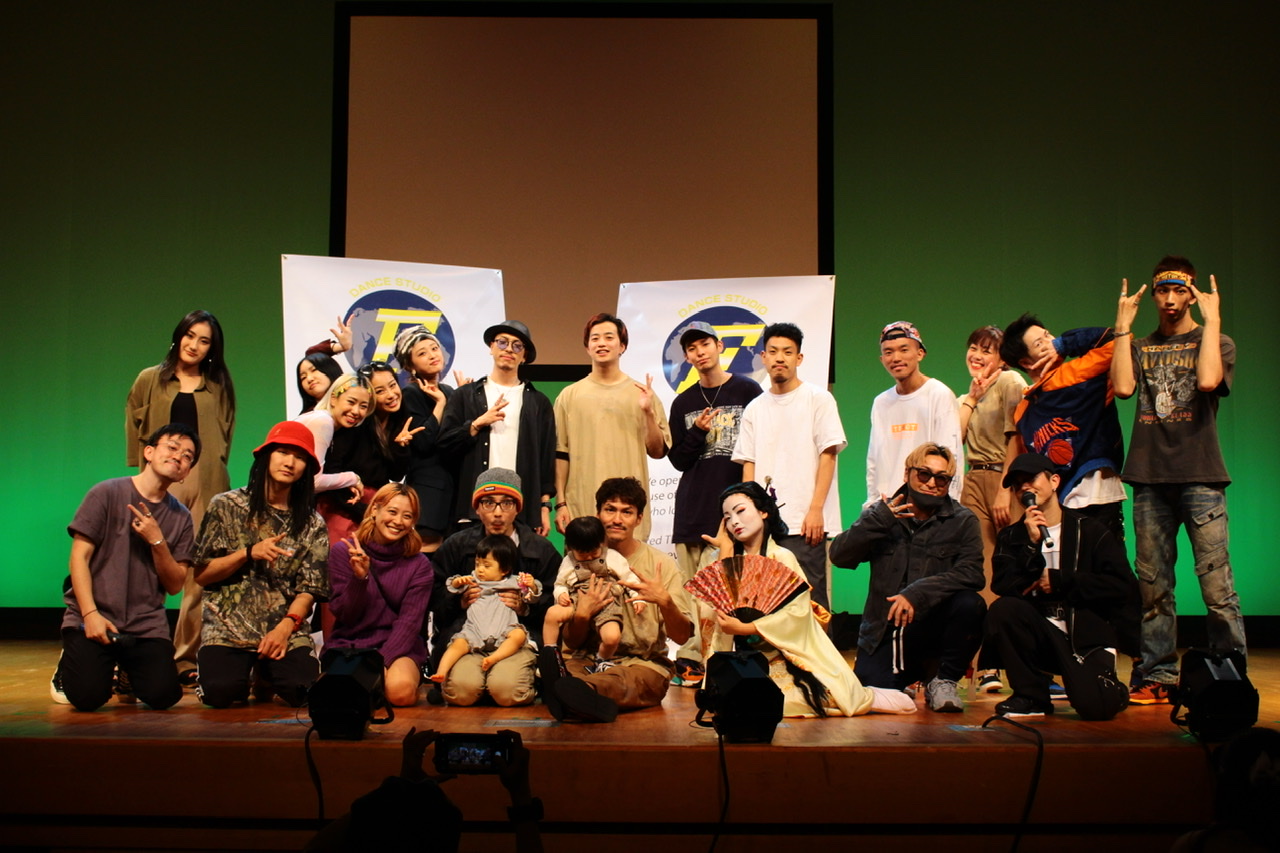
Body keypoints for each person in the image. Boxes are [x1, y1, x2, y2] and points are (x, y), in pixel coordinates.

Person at [1110, 258, 1242, 705]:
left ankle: (1230, 678)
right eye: (1162, 291)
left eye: (1179, 290)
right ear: (1154, 294)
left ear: (1191, 294)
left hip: (1201, 477)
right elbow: (1123, 389)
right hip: (1150, 477)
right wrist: (1122, 327)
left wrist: (1213, 319)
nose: (1169, 300)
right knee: (1154, 587)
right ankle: (1157, 674)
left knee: (1217, 587)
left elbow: (1207, 380)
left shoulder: (1217, 341)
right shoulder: (1140, 346)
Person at [696, 483, 917, 717]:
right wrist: (725, 552)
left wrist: (749, 628)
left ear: (763, 512)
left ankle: (869, 695)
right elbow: (714, 608)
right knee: (736, 700)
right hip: (741, 657)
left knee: (790, 700)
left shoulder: (782, 557)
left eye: (740, 511)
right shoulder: (720, 558)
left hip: (783, 655)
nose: (734, 522)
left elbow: (797, 614)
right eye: (727, 518)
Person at [829, 442, 986, 713]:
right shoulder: (881, 513)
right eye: (924, 474)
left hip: (933, 630)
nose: (931, 483)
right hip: (886, 631)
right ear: (907, 473)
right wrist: (879, 520)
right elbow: (839, 556)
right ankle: (903, 682)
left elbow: (972, 572)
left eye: (941, 478)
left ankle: (943, 679)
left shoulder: (962, 520)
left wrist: (917, 593)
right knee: (873, 698)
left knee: (971, 604)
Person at [126, 310, 236, 686]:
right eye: (190, 335)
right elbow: (134, 424)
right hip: (160, 480)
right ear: (178, 336)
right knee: (146, 562)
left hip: (207, 480)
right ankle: (137, 651)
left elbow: (225, 435)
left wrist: (215, 472)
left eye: (204, 341)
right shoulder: (149, 379)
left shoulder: (219, 385)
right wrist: (140, 475)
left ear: (212, 349)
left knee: (199, 570)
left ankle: (185, 658)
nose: (195, 345)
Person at [986, 453, 1140, 719]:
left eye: (1031, 479)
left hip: (1085, 636)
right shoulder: (1013, 536)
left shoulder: (1090, 530)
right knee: (1004, 609)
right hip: (1042, 636)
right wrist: (1030, 545)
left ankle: (1110, 688)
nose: (1024, 488)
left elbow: (1122, 586)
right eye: (1018, 484)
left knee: (1096, 709)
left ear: (1054, 481)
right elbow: (1003, 585)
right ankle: (1030, 696)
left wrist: (1061, 581)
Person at [57, 424, 198, 711]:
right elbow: (79, 558)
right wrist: (90, 614)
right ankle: (67, 664)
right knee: (86, 698)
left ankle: (126, 675)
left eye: (187, 456)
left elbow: (175, 585)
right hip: (94, 616)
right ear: (149, 452)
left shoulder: (181, 517)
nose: (178, 457)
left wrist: (157, 541)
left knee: (163, 696)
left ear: (186, 473)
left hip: (145, 623)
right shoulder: (106, 493)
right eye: (172, 447)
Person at [192, 421, 330, 708]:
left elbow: (309, 590)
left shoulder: (312, 523)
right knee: (220, 692)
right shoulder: (225, 505)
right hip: (228, 629)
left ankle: (266, 674)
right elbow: (203, 574)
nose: (290, 462)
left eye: (300, 457)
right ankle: (239, 673)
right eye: (283, 452)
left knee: (304, 691)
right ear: (266, 456)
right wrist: (247, 553)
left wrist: (285, 629)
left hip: (284, 629)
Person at [539, 477, 696, 723]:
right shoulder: (576, 559)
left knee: (614, 681)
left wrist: (665, 602)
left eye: (627, 512)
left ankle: (579, 695)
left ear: (639, 518)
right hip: (587, 659)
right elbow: (572, 640)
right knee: (568, 676)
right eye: (610, 509)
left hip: (642, 665)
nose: (617, 519)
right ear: (598, 514)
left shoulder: (661, 564)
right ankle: (577, 696)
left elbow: (682, 637)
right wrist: (582, 614)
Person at [666, 320, 762, 686]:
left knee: (733, 591)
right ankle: (694, 659)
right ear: (688, 357)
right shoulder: (683, 402)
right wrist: (698, 431)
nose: (699, 352)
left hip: (734, 511)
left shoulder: (748, 390)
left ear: (719, 346)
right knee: (694, 594)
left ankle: (727, 659)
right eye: (691, 348)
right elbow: (678, 460)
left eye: (705, 344)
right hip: (693, 509)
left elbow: (759, 446)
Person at [731, 322, 845, 609]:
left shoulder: (818, 399)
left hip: (804, 523)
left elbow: (829, 456)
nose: (779, 358)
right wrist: (750, 517)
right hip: (765, 524)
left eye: (787, 352)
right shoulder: (755, 408)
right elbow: (749, 465)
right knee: (765, 603)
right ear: (763, 357)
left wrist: (816, 510)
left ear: (799, 358)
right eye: (773, 352)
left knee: (810, 602)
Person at [429, 468, 560, 707]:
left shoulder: (541, 550)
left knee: (507, 691)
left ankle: (513, 680)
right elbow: (433, 598)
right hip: (469, 639)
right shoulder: (456, 546)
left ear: (518, 508)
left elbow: (556, 602)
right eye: (488, 503)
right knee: (461, 692)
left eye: (507, 503)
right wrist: (457, 601)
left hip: (518, 641)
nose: (497, 513)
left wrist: (527, 607)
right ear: (477, 508)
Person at [304, 727, 544, 853]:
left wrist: (401, 786)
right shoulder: (442, 827)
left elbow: (315, 847)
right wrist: (521, 795)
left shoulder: (366, 822)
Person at [999, 313, 1126, 540]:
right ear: (1026, 363)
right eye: (1040, 343)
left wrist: (1064, 344)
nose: (1050, 342)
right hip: (1057, 504)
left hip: (1097, 491)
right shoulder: (1023, 410)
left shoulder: (1079, 371)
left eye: (1049, 335)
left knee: (1106, 560)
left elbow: (1115, 341)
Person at [553, 312, 671, 539]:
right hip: (583, 508)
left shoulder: (642, 393)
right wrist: (561, 503)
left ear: (622, 346)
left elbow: (658, 451)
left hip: (627, 509)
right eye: (595, 338)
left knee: (630, 562)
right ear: (587, 347)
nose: (601, 343)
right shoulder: (569, 396)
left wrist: (648, 412)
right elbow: (560, 454)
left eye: (609, 337)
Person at [957, 325, 1027, 693]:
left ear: (1002, 357)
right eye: (974, 347)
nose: (978, 355)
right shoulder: (966, 396)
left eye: (987, 349)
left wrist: (1005, 489)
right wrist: (970, 398)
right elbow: (954, 439)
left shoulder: (1010, 381)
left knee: (1016, 571)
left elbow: (1016, 436)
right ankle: (986, 666)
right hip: (974, 480)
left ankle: (1029, 666)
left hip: (1006, 479)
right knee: (982, 575)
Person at [439, 320, 556, 534]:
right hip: (473, 511)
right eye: (502, 342)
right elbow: (444, 446)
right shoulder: (465, 395)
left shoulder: (539, 403)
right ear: (491, 347)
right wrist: (476, 424)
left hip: (522, 511)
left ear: (524, 356)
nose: (509, 349)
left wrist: (544, 507)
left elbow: (545, 460)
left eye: (517, 346)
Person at [326, 483, 434, 707]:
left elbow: (409, 623)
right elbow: (345, 615)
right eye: (392, 512)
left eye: (407, 516)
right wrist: (360, 579)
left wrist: (376, 666)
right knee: (339, 697)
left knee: (400, 693)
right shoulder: (344, 551)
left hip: (400, 646)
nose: (398, 521)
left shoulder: (420, 564)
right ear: (375, 509)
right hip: (351, 643)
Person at [866, 320, 963, 504]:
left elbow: (951, 457)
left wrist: (949, 508)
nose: (896, 358)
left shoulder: (939, 395)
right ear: (882, 359)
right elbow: (874, 462)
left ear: (920, 353)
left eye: (904, 350)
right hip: (890, 507)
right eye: (888, 352)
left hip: (928, 506)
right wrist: (872, 504)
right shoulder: (881, 403)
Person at [433, 535, 542, 690]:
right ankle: (441, 672)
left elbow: (533, 597)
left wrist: (532, 586)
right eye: (477, 563)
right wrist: (458, 582)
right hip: (474, 630)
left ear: (505, 569)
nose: (480, 569)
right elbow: (451, 585)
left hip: (505, 630)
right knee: (457, 645)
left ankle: (494, 658)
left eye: (486, 565)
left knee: (519, 635)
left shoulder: (513, 582)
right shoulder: (472, 580)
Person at [541, 516, 644, 667]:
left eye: (594, 552)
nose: (589, 557)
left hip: (607, 602)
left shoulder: (612, 557)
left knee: (612, 638)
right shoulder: (568, 561)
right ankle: (550, 654)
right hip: (577, 599)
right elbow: (560, 584)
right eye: (582, 554)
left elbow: (629, 579)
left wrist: (637, 598)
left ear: (602, 543)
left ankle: (602, 660)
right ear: (571, 548)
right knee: (552, 613)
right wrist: (561, 594)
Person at [395, 325, 458, 550]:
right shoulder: (410, 394)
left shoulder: (450, 391)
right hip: (428, 489)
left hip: (453, 488)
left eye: (434, 348)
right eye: (422, 353)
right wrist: (440, 405)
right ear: (410, 365)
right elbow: (423, 442)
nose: (432, 355)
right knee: (425, 551)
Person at [294, 372, 374, 541]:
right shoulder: (323, 422)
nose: (356, 411)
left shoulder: (325, 422)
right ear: (333, 399)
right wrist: (352, 478)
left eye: (363, 406)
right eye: (351, 402)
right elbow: (313, 482)